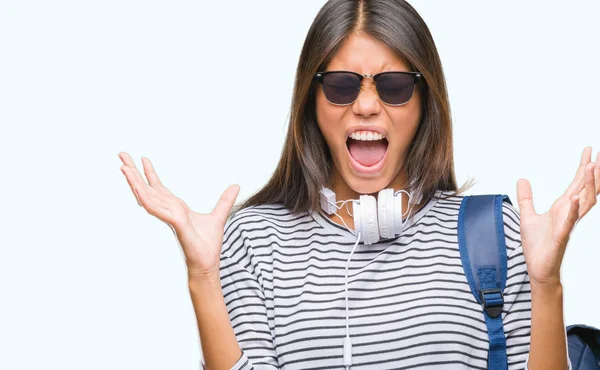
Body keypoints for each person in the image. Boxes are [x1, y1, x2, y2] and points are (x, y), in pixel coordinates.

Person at [118, 0, 600, 369]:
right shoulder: (252, 241)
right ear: (312, 101)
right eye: (343, 85)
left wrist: (546, 284)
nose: (367, 106)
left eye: (393, 87)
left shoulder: (495, 234)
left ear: (423, 103)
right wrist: (203, 277)